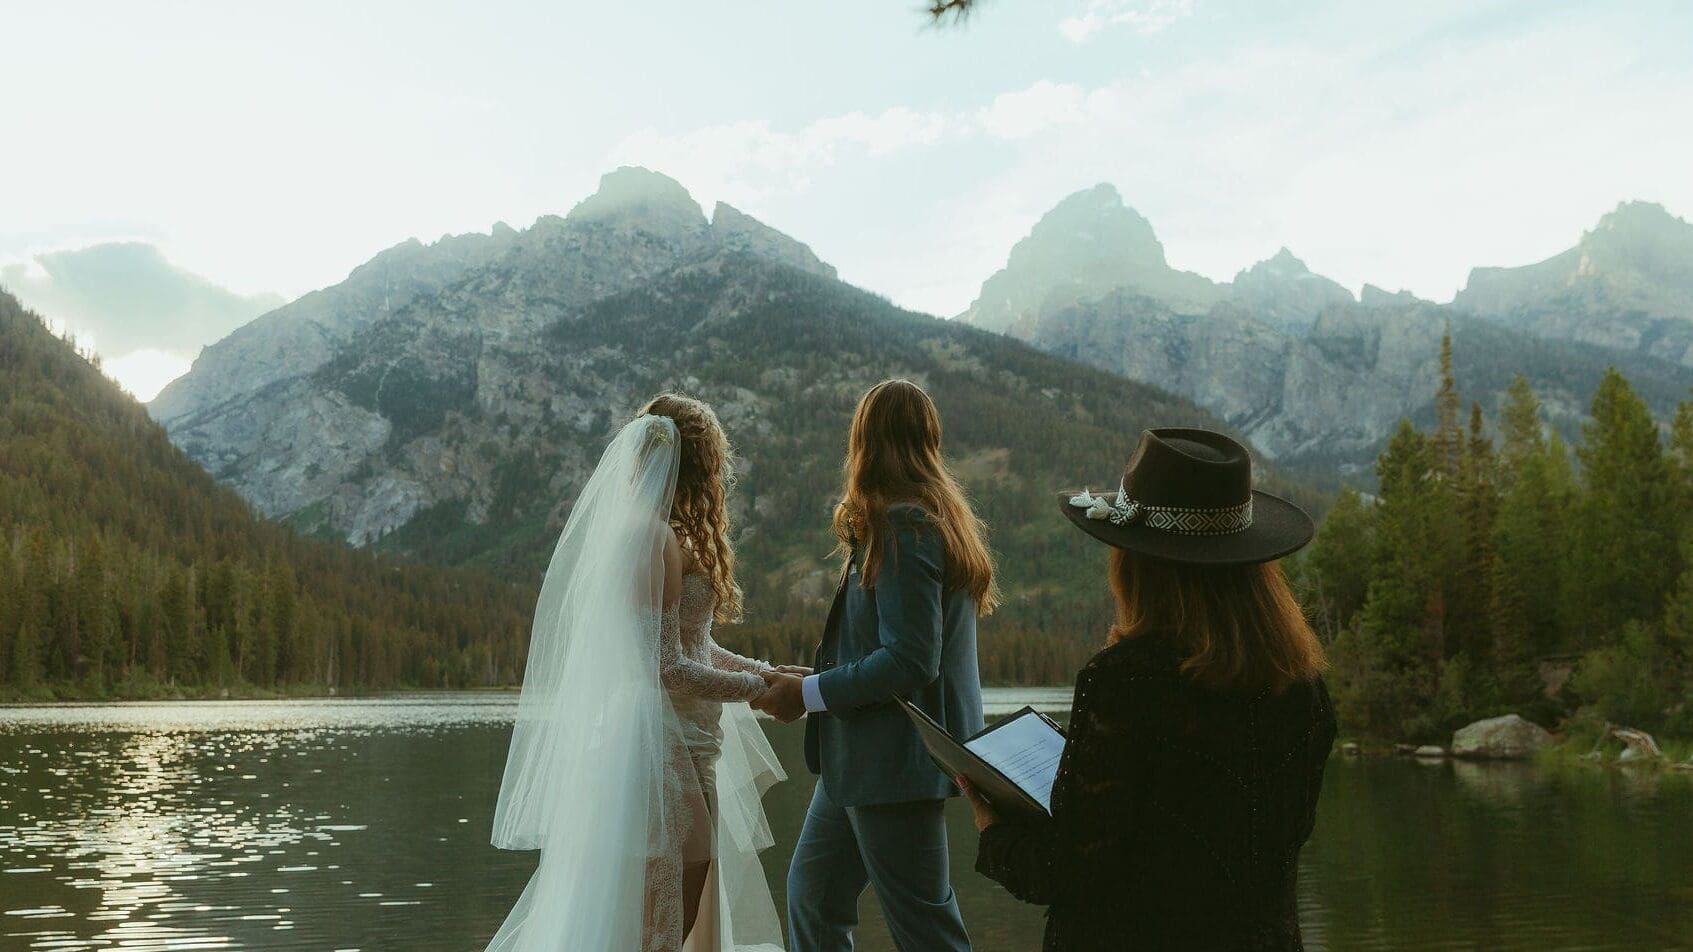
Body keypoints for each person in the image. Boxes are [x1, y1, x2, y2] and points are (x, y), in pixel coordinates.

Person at [963, 427, 1336, 951]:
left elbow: (1066, 871)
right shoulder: (1303, 688)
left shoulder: (1125, 682)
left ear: (1138, 564)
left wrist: (995, 833)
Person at [487, 394, 787, 952]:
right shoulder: (650, 538)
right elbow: (666, 669)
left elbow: (698, 643)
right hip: (659, 742)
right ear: (696, 463)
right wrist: (760, 691)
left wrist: (771, 674)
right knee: (665, 909)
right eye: (712, 460)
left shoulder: (667, 534)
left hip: (694, 740)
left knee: (685, 892)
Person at [756, 379, 999, 952]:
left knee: (927, 932)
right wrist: (813, 679)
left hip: (895, 763)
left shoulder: (905, 525)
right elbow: (889, 646)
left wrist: (808, 695)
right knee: (813, 899)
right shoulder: (920, 519)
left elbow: (911, 659)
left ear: (864, 441)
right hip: (861, 761)